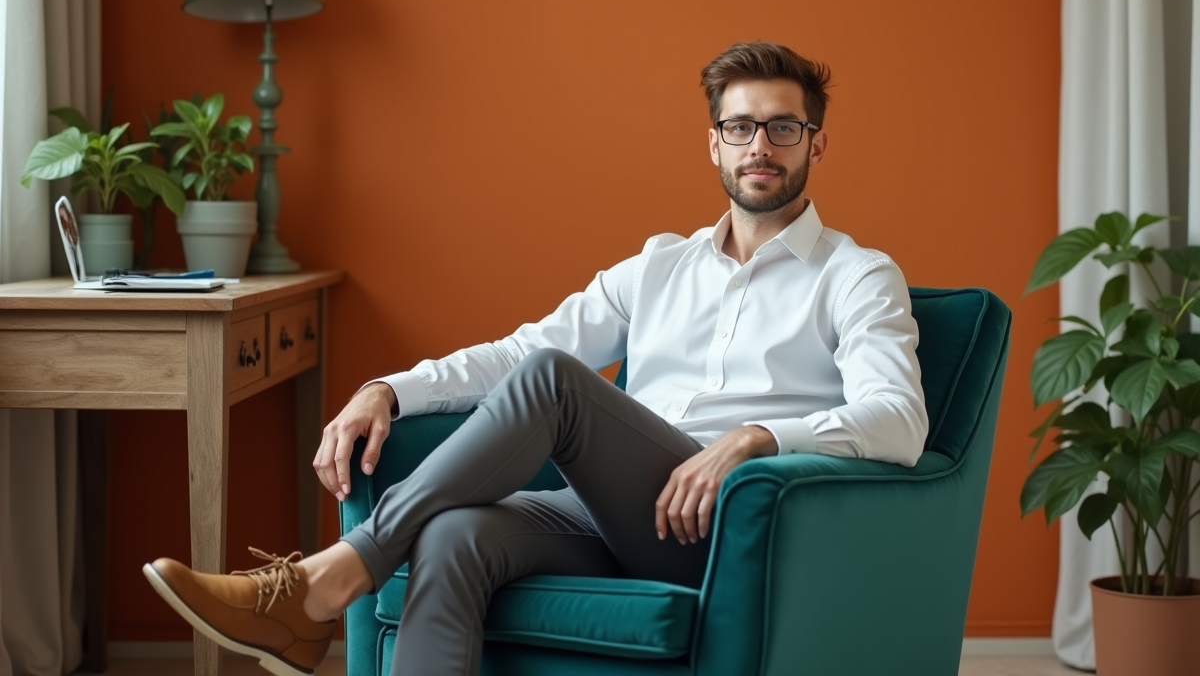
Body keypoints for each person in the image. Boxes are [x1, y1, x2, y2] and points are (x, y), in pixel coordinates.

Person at [142, 41, 927, 676]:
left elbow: (898, 423)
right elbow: (519, 353)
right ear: (712, 142)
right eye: (741, 127)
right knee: (453, 534)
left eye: (782, 127)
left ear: (817, 142)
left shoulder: (856, 275)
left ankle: (323, 583)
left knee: (557, 386)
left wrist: (756, 437)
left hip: (721, 524)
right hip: (605, 511)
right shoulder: (659, 265)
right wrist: (390, 389)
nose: (760, 146)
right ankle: (324, 596)